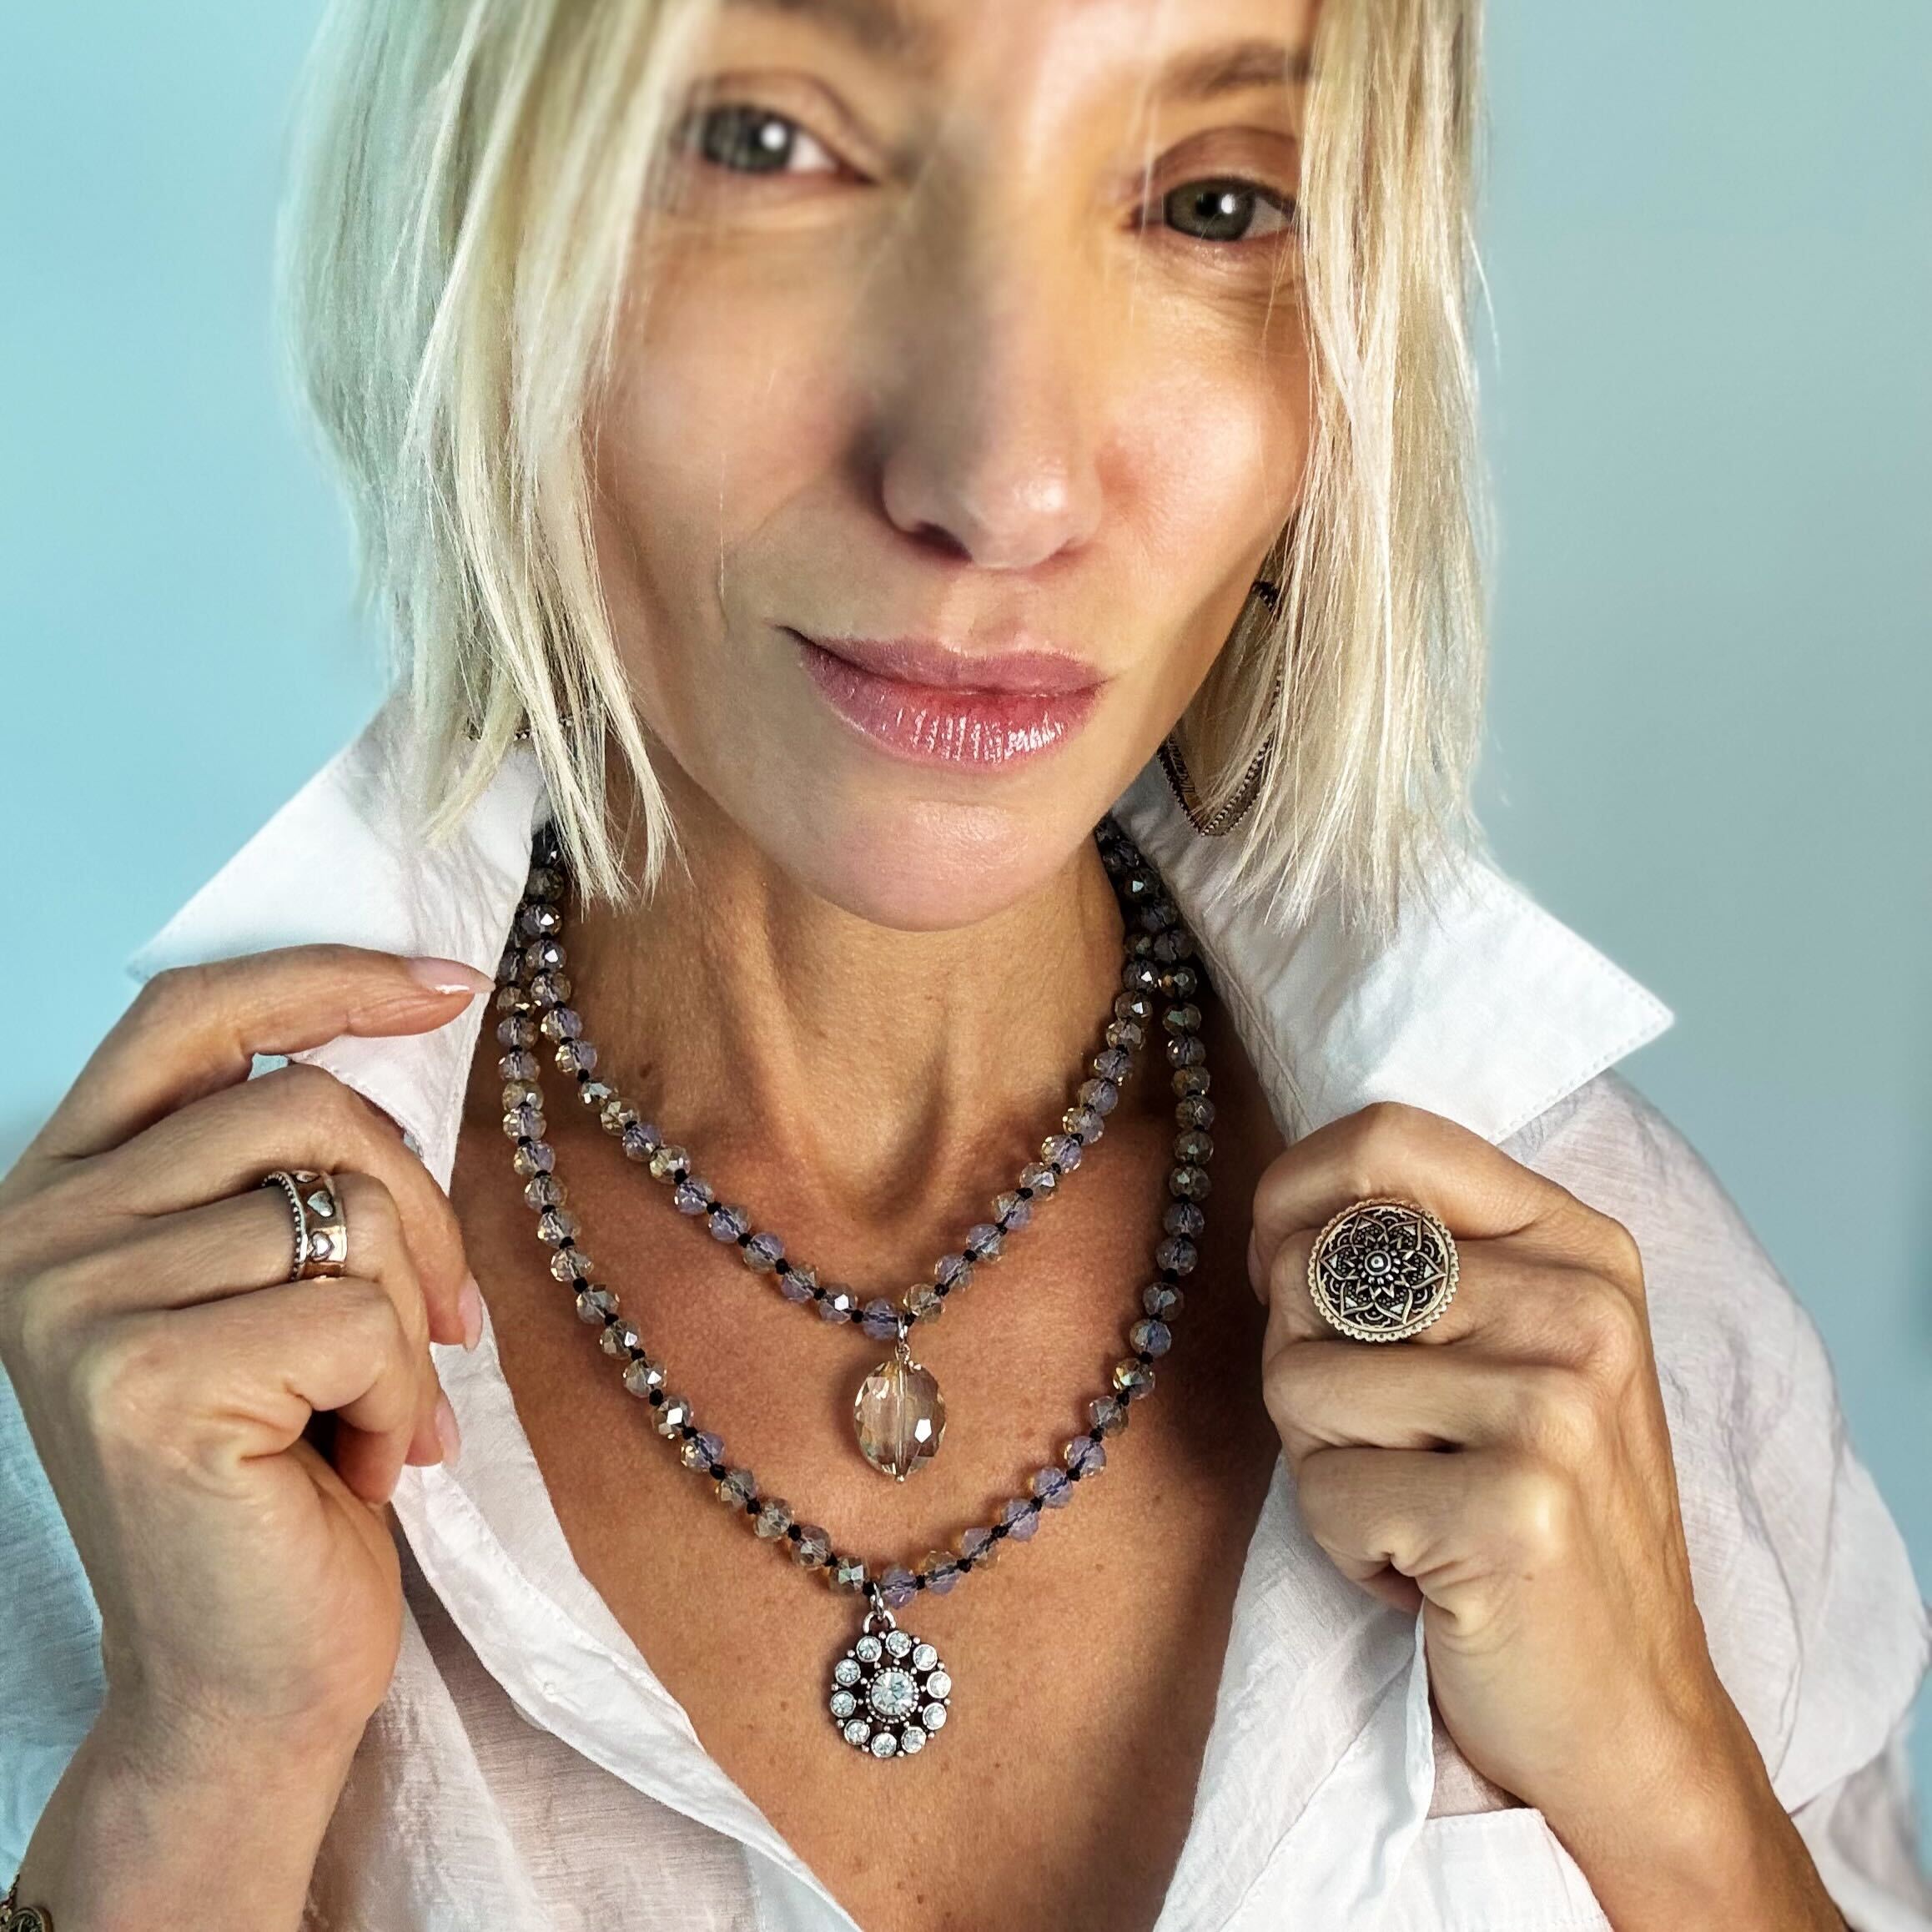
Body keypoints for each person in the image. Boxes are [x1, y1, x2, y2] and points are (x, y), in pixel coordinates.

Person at [2, 0, 1927, 1926]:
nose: (1006, 485)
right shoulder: (109, 1406)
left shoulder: (1624, 1305)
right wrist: (199, 1781)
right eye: (771, 148)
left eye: (1217, 198)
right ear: (484, 207)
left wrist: (1675, 1806)